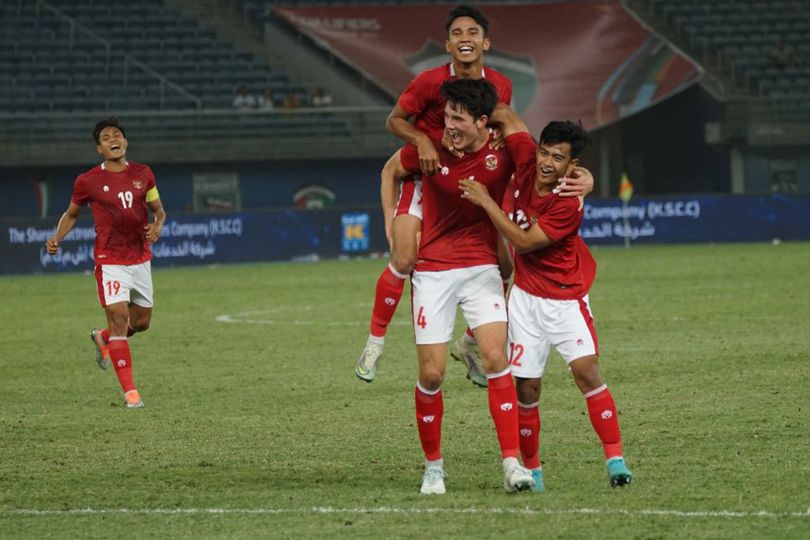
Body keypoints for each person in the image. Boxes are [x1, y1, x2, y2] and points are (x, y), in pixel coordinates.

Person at [356, 4, 592, 386]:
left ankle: (469, 343)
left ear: (486, 42)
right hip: (429, 176)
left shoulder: (501, 86)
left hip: (476, 178)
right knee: (404, 256)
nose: (465, 39)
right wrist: (422, 141)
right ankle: (374, 344)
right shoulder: (428, 82)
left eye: (473, 33)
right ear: (447, 44)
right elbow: (394, 124)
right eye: (458, 34)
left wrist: (581, 175)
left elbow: (513, 135)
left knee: (505, 265)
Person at [381, 78, 545, 494]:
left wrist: (583, 178)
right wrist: (390, 220)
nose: (449, 125)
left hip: (480, 268)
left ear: (483, 123)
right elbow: (390, 170)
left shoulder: (501, 153)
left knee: (495, 359)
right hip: (433, 272)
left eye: (458, 118)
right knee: (432, 375)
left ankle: (512, 465)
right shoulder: (429, 146)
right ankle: (433, 467)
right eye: (447, 116)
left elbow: (544, 166)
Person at [460, 109, 633, 491]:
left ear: (573, 165)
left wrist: (486, 202)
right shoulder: (525, 161)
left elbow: (523, 242)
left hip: (566, 299)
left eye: (558, 158)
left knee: (586, 373)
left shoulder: (568, 201)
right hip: (524, 300)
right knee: (527, 389)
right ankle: (534, 472)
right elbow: (507, 117)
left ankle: (615, 459)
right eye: (544, 153)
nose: (546, 162)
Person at [45, 117, 166, 409]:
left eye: (117, 135)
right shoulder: (88, 181)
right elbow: (72, 214)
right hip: (109, 260)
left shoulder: (144, 174)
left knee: (141, 323)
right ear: (100, 148)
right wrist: (57, 237)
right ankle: (131, 393)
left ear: (125, 142)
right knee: (119, 318)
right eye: (105, 137)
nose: (113, 139)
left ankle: (103, 338)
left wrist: (158, 225)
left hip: (139, 258)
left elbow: (158, 210)